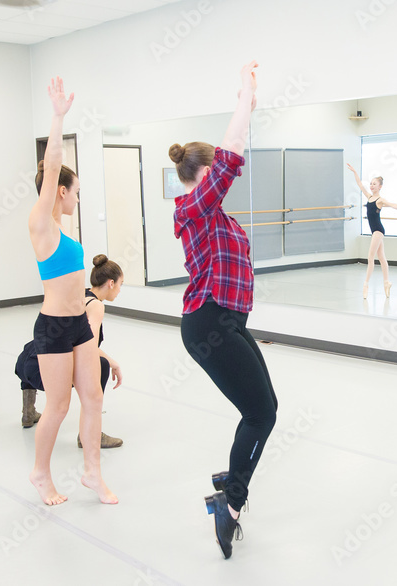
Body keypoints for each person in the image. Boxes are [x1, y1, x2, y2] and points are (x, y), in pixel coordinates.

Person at [171, 61, 277, 560]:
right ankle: (229, 504)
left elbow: (229, 157)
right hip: (208, 322)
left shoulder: (214, 214)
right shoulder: (192, 208)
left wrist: (248, 105)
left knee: (262, 409)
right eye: (218, 170)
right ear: (204, 174)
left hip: (227, 322)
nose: (225, 175)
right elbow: (232, 156)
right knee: (260, 412)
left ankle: (227, 482)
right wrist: (245, 98)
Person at [27, 77, 116, 506]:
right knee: (58, 407)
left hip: (78, 321)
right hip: (53, 328)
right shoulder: (41, 223)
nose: (76, 199)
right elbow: (53, 163)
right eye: (75, 192)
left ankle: (92, 473)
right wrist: (58, 118)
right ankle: (41, 475)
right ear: (58, 191)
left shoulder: (63, 229)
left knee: (93, 397)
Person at [16, 255, 124, 449]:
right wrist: (113, 362)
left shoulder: (79, 294)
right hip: (46, 374)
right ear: (110, 283)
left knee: (40, 346)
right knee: (101, 366)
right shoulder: (97, 306)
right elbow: (87, 346)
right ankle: (89, 435)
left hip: (26, 363)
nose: (119, 290)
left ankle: (28, 412)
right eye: (120, 284)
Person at [346, 164, 397, 298]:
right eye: (371, 184)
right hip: (375, 231)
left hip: (378, 230)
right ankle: (387, 282)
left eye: (374, 184)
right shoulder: (369, 197)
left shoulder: (380, 200)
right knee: (382, 257)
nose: (371, 186)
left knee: (370, 258)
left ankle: (365, 285)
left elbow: (393, 205)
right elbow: (360, 184)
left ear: (380, 186)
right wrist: (354, 171)